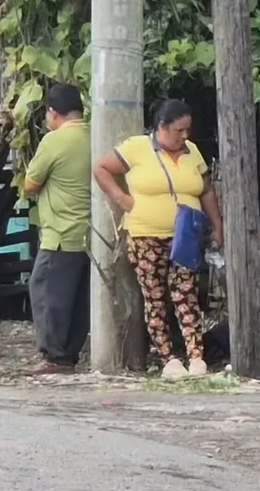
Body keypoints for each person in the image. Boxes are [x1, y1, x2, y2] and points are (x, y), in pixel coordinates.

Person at [93, 99, 224, 379]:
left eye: (187, 129)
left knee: (186, 294)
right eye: (178, 130)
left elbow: (206, 190)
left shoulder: (192, 151)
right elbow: (101, 168)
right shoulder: (137, 147)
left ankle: (196, 356)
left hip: (185, 235)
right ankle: (168, 359)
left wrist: (217, 225)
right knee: (154, 297)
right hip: (146, 236)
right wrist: (122, 199)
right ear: (162, 127)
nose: (184, 135)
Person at [22, 84, 91, 375]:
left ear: (52, 113)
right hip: (89, 235)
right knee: (78, 298)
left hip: (60, 234)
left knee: (45, 292)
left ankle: (55, 356)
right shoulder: (95, 135)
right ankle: (68, 354)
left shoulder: (55, 140)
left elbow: (30, 184)